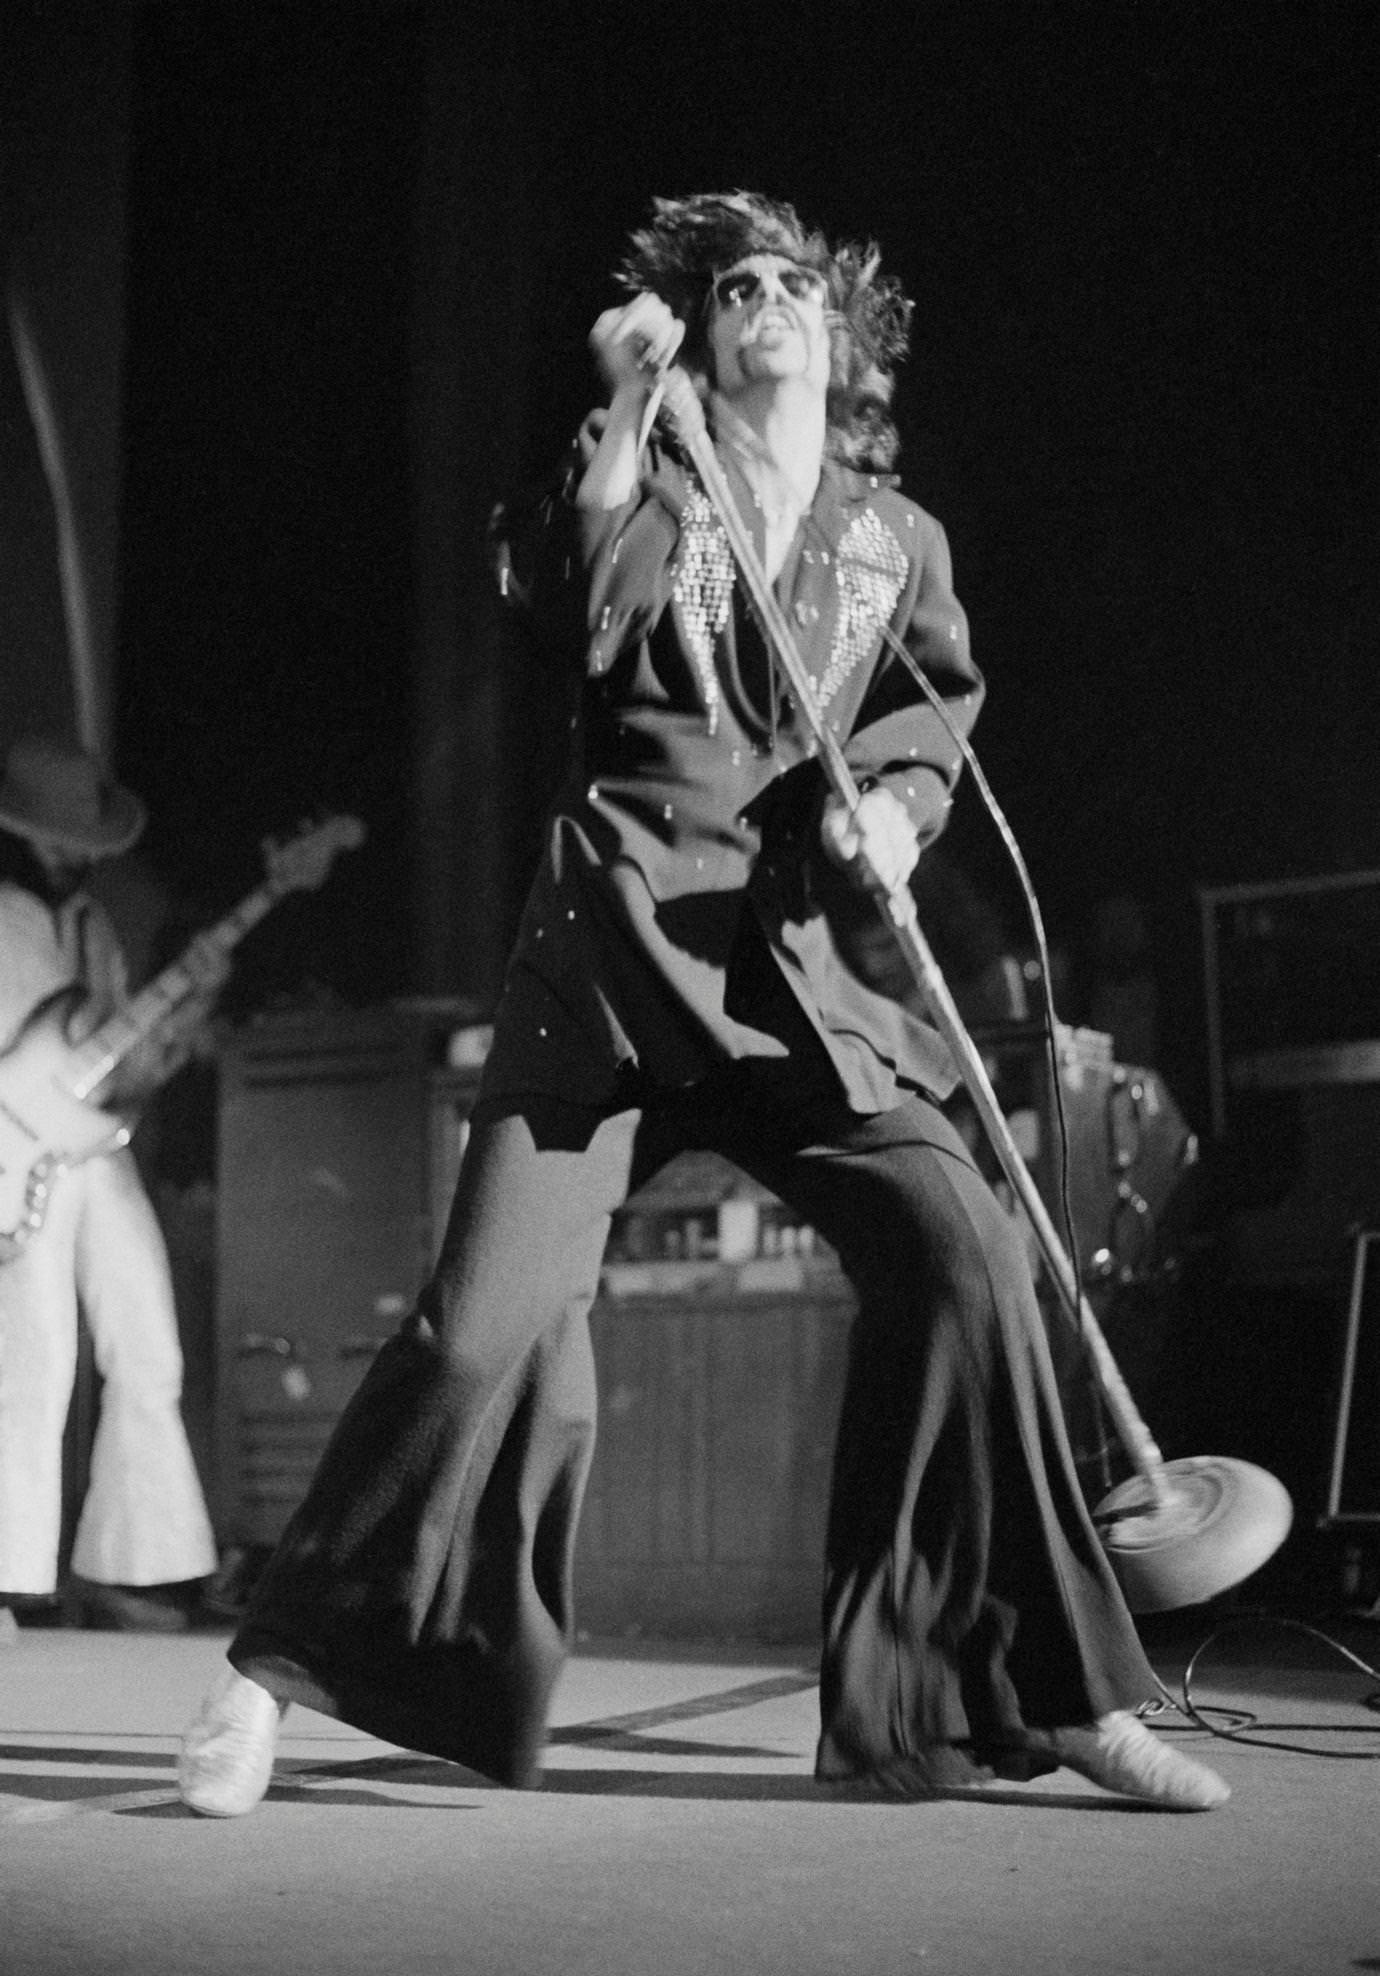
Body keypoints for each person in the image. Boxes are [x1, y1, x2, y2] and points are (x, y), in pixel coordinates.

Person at [179, 192, 1227, 1816]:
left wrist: (891, 807)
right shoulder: (658, 495)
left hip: (798, 984)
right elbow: (570, 597)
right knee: (478, 1339)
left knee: (972, 1253)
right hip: (612, 976)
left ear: (840, 332)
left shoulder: (898, 541)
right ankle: (272, 1672)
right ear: (699, 334)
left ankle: (1039, 1687)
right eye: (733, 287)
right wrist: (615, 408)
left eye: (792, 286)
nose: (765, 304)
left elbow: (931, 716)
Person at [0, 732, 221, 1639]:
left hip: (94, 1144)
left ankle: (141, 1565)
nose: (72, 854)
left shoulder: (89, 926)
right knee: (35, 1361)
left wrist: (181, 1020)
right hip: (15, 1150)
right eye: (58, 837)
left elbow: (116, 1064)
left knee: (148, 1342)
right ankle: (10, 1577)